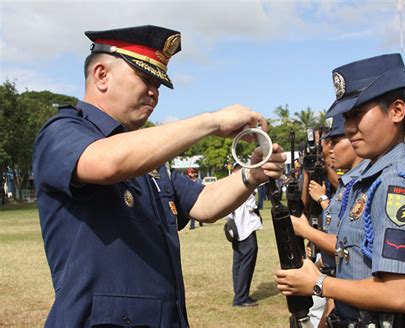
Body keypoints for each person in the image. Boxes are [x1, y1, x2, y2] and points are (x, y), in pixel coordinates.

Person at [32, 25, 286, 327]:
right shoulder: (62, 131)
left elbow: (202, 202)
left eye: (159, 85)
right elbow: (107, 162)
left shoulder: (146, 155)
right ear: (102, 75)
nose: (154, 93)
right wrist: (211, 121)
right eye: (146, 79)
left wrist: (251, 176)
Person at [275, 53, 405, 327]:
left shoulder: (394, 183)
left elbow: (399, 294)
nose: (349, 129)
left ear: (397, 111)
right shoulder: (371, 180)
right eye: (347, 117)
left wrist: (317, 283)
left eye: (357, 115)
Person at [292, 113, 369, 328]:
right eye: (327, 142)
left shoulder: (358, 185)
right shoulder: (348, 184)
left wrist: (306, 231)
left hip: (345, 286)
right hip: (332, 276)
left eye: (334, 141)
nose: (328, 148)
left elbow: (344, 246)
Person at [225, 163, 262, 307]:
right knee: (247, 260)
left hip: (236, 226)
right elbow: (251, 205)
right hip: (245, 226)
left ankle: (240, 294)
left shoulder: (230, 183)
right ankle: (241, 297)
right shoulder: (243, 184)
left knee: (238, 261)